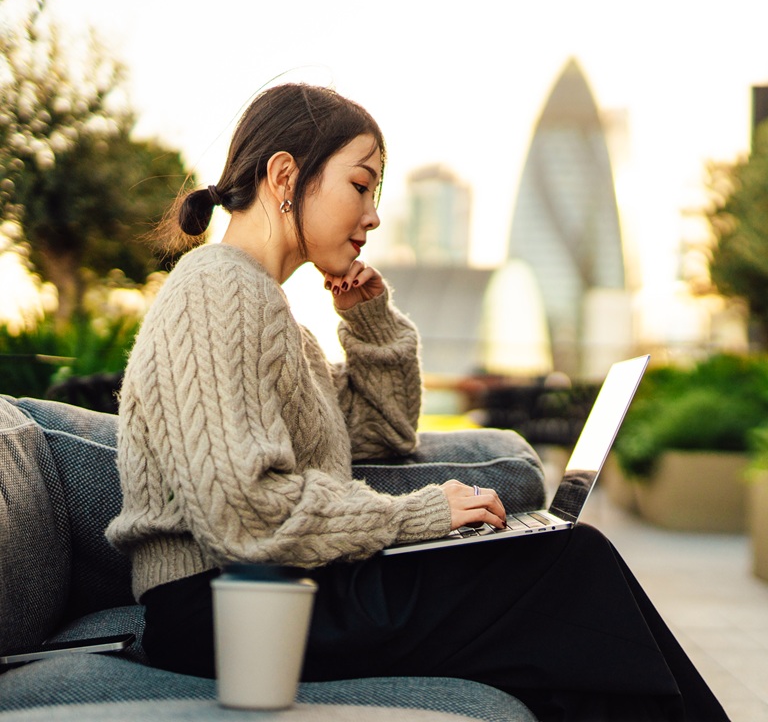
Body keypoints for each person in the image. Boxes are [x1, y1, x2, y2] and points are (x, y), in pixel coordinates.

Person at [106, 83, 729, 722]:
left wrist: (368, 321)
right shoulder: (217, 290)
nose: (373, 214)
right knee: (570, 569)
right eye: (360, 185)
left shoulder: (273, 314)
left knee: (570, 601)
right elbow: (244, 514)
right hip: (224, 609)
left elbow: (382, 436)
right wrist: (420, 516)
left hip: (268, 592)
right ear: (285, 175)